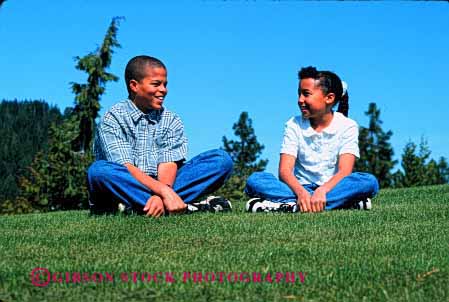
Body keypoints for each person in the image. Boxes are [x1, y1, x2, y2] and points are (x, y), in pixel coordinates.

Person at [87, 55, 233, 217]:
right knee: (99, 171)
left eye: (165, 84)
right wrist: (164, 192)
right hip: (126, 184)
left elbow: (168, 163)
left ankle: (142, 206)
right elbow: (125, 167)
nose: (163, 90)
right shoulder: (113, 118)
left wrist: (161, 193)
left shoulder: (171, 120)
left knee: (221, 160)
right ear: (134, 86)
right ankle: (178, 204)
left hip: (163, 184)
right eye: (156, 84)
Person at [245, 66, 379, 213]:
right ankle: (339, 203)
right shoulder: (293, 124)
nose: (300, 100)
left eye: (306, 94)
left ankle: (292, 206)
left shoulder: (348, 126)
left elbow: (344, 172)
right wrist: (302, 193)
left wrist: (322, 191)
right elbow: (284, 171)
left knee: (369, 182)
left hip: (332, 188)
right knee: (256, 180)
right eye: (299, 94)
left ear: (329, 98)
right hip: (299, 188)